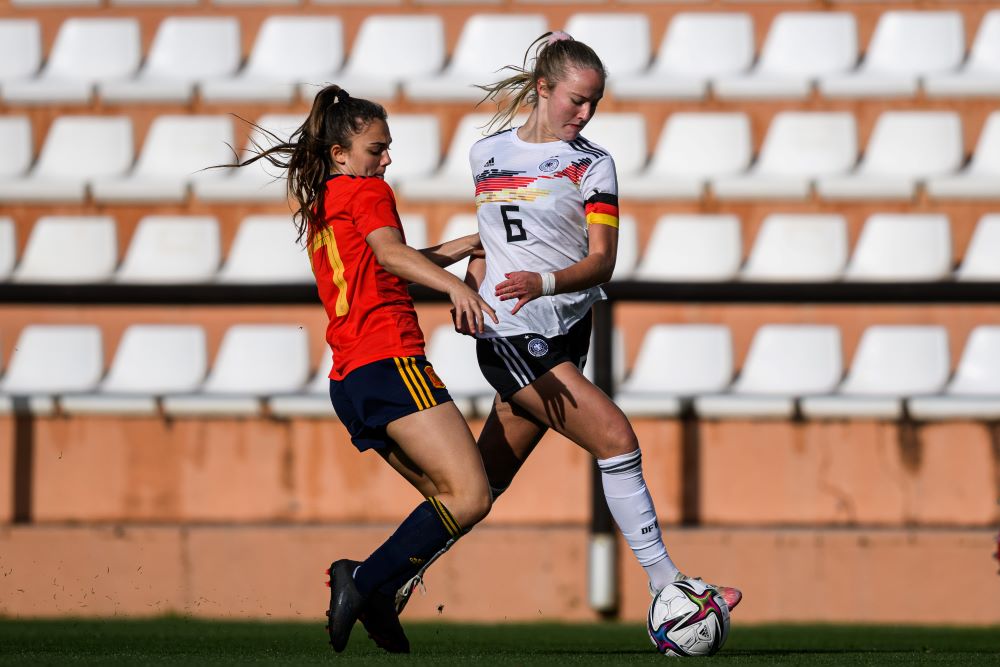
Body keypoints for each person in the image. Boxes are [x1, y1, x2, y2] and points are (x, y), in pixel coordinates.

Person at [396, 32, 743, 617]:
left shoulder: (593, 164)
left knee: (480, 486)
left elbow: (602, 260)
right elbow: (495, 240)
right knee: (616, 438)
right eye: (575, 100)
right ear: (543, 88)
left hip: (563, 331)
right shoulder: (488, 154)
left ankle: (380, 577)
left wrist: (546, 282)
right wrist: (472, 289)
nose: (585, 114)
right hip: (510, 335)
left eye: (595, 102)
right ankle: (670, 589)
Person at [236, 85, 497, 653]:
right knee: (471, 496)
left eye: (387, 148)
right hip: (391, 360)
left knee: (443, 501)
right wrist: (457, 287)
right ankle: (366, 583)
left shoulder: (326, 199)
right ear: (341, 154)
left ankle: (375, 590)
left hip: (351, 379)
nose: (386, 159)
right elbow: (391, 256)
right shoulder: (368, 189)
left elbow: (392, 261)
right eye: (378, 148)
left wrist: (470, 244)